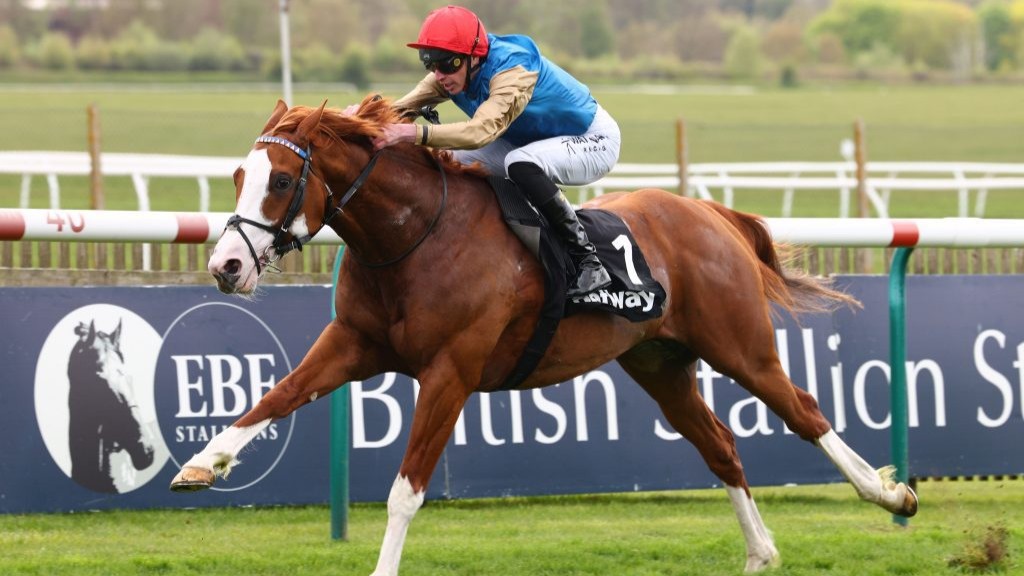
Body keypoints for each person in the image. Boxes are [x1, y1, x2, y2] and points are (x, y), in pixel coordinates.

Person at [370, 5, 620, 297]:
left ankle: (588, 260)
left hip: (592, 139)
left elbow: (480, 131)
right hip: (524, 141)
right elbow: (398, 110)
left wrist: (415, 133)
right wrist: (355, 120)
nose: (439, 75)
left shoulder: (512, 70)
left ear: (474, 56)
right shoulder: (453, 70)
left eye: (447, 64)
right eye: (431, 65)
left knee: (519, 163)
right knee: (446, 161)